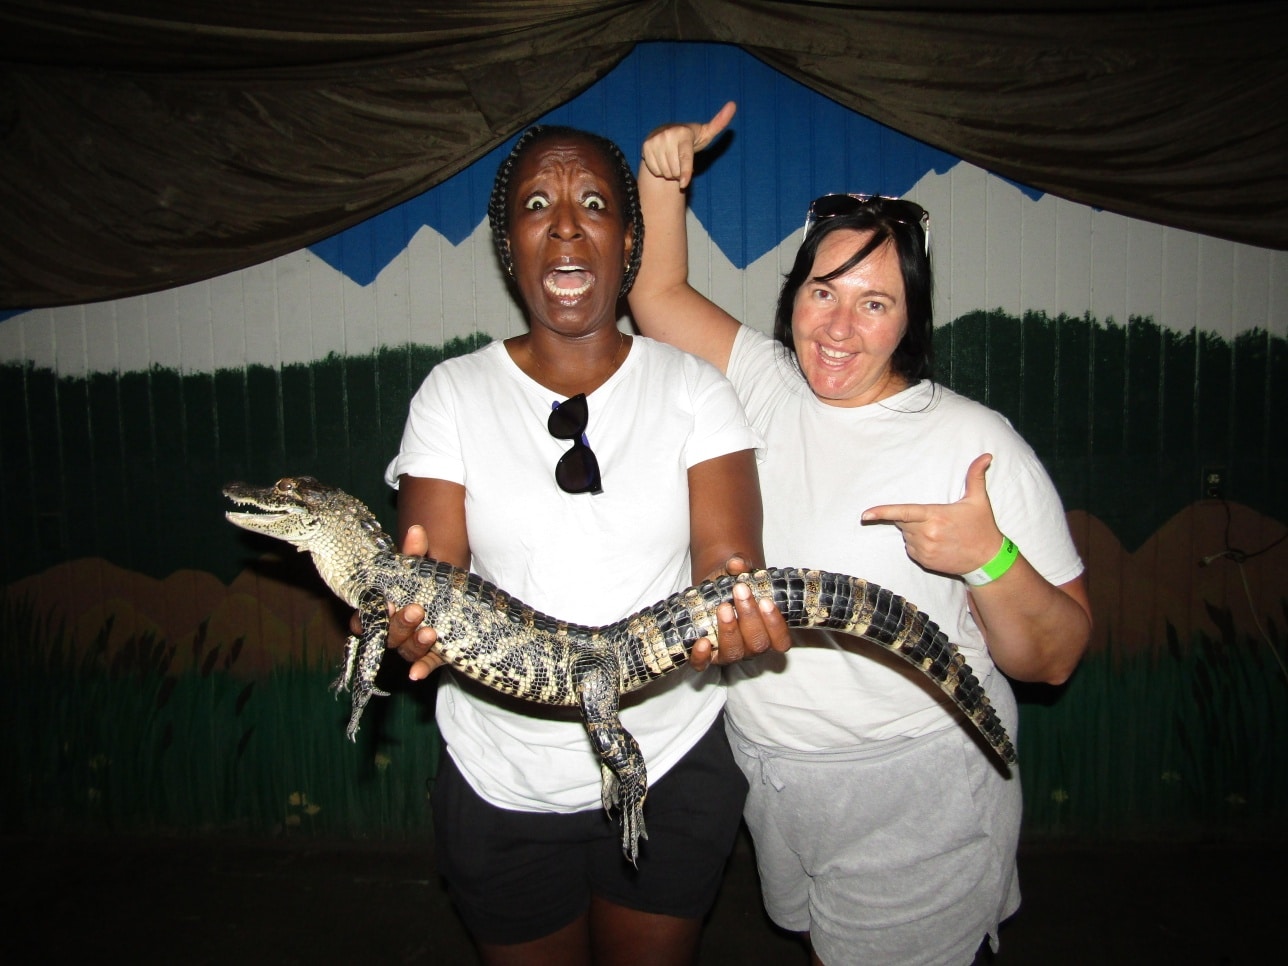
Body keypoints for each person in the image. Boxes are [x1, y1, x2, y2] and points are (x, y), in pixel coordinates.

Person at [626, 102, 1093, 966]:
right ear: (793, 297)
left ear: (910, 319)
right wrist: (662, 183)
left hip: (914, 786)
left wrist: (990, 561)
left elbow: (1054, 659)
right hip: (771, 775)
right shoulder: (765, 385)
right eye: (823, 292)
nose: (838, 329)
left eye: (874, 303)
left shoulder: (973, 445)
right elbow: (655, 294)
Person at [378, 123, 781, 966]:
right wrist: (400, 620)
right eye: (537, 206)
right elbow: (433, 573)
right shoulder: (451, 394)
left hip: (668, 768)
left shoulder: (693, 389)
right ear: (508, 243)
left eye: (593, 204)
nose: (565, 225)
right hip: (500, 781)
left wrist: (736, 604)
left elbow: (726, 560)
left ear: (628, 241)